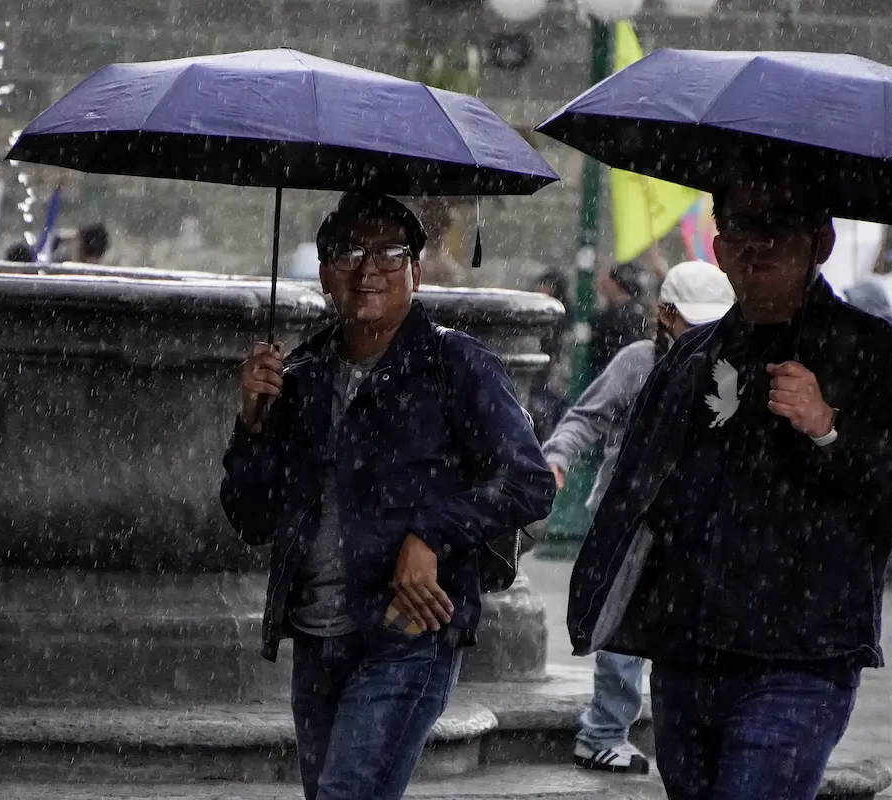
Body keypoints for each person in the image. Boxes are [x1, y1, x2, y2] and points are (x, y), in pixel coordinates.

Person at [566, 165, 892, 800]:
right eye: (742, 226)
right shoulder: (691, 360)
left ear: (819, 242)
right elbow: (636, 492)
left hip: (800, 658)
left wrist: (829, 428)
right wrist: (601, 601)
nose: (759, 244)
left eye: (779, 226)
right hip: (686, 652)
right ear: (718, 248)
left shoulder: (871, 351)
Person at [220, 191, 555, 800]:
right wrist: (252, 421)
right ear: (324, 273)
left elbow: (526, 481)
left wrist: (430, 535)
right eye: (348, 250)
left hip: (406, 633)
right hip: (316, 637)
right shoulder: (300, 375)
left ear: (417, 272)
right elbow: (250, 516)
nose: (367, 267)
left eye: (389, 252)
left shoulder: (456, 364)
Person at [545, 261, 735, 775]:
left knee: (688, 626)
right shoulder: (640, 361)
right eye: (692, 323)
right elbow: (587, 416)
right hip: (632, 516)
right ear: (665, 315)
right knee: (624, 618)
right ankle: (603, 731)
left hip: (700, 522)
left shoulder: (734, 367)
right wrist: (558, 457)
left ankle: (685, 730)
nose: (701, 335)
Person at [529, 268, 574, 441]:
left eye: (545, 286)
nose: (540, 289)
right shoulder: (539, 314)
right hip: (542, 380)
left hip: (551, 381)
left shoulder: (560, 319)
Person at [589, 261, 650, 376]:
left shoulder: (618, 318)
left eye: (611, 279)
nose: (604, 284)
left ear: (620, 285)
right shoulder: (642, 312)